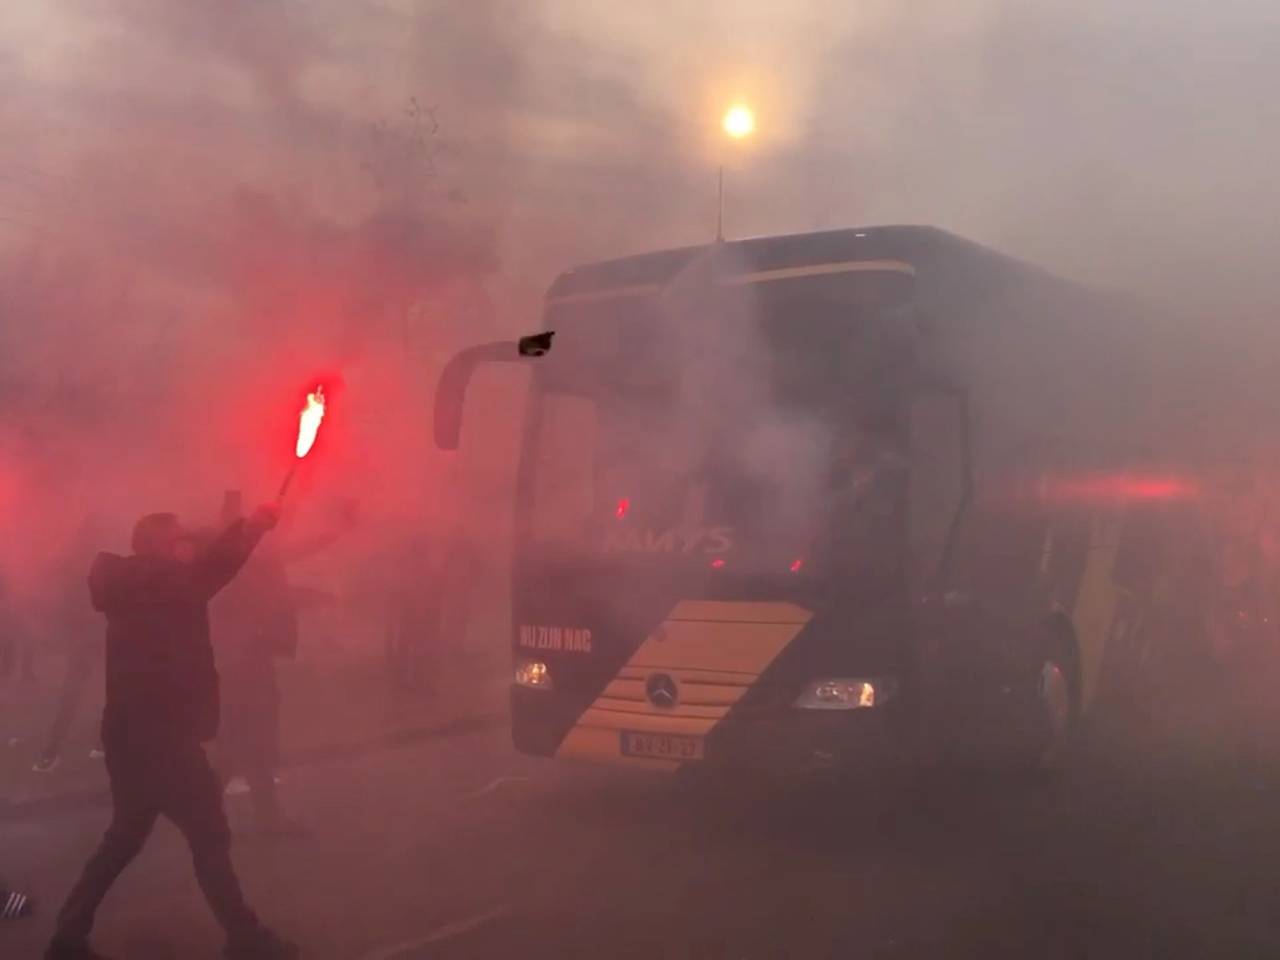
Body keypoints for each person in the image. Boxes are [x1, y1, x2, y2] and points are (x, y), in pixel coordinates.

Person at [45, 505, 298, 960]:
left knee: (125, 837)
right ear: (160, 547)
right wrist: (250, 528)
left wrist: (243, 528)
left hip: (130, 734)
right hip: (164, 737)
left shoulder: (132, 584)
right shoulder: (166, 585)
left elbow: (209, 566)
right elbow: (217, 567)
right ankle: (244, 935)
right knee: (209, 837)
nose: (188, 546)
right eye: (180, 540)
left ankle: (68, 931)